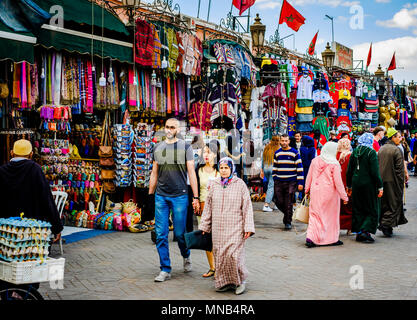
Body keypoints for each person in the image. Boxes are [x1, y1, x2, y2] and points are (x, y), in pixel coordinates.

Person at [149, 118, 200, 282]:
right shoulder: (157, 147)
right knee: (161, 234)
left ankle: (186, 255)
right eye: (166, 127)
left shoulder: (186, 147)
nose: (169, 130)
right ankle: (165, 268)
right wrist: (151, 194)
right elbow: (154, 172)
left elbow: (191, 172)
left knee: (179, 233)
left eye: (172, 127)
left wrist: (196, 197)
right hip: (161, 196)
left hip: (180, 195)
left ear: (178, 129)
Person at [199, 157, 255, 295]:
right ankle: (224, 282)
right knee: (221, 256)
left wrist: (248, 227)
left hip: (235, 227)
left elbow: (247, 207)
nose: (224, 171)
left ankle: (240, 282)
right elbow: (208, 207)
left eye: (226, 168)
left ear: (231, 169)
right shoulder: (215, 185)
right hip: (218, 229)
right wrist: (205, 226)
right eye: (222, 168)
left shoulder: (240, 184)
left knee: (233, 255)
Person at [0, 139, 63, 240]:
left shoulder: (2, 170)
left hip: (6, 230)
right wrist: (56, 227)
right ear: (31, 154)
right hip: (31, 231)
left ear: (11, 153)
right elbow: (46, 199)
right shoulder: (35, 169)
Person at [304, 142, 349, 248]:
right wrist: (344, 197)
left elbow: (309, 176)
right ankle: (331, 238)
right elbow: (338, 183)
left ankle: (311, 237)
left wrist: (307, 189)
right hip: (330, 195)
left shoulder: (315, 161)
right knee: (330, 218)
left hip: (316, 192)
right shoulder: (334, 164)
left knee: (315, 215)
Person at [346, 133, 383, 243]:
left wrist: (349, 186)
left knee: (358, 207)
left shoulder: (355, 152)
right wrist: (380, 186)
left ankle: (358, 231)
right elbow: (375, 172)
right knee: (371, 207)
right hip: (369, 184)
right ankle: (365, 231)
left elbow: (349, 171)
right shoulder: (371, 153)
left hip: (356, 183)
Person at [378, 128, 408, 237]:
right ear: (393, 137)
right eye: (398, 137)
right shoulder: (396, 150)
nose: (400, 139)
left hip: (382, 180)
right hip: (393, 181)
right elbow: (399, 170)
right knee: (394, 202)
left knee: (385, 203)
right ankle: (386, 224)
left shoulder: (381, 149)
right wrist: (401, 183)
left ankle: (386, 224)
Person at [195, 143, 219, 278]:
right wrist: (196, 200)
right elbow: (195, 189)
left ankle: (220, 266)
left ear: (215, 154)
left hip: (218, 207)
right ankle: (212, 267)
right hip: (203, 207)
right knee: (206, 236)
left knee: (218, 238)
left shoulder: (220, 170)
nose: (206, 155)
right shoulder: (198, 170)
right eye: (204, 152)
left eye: (209, 152)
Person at [273, 134, 304, 230]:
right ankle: (288, 213)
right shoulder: (277, 153)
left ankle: (288, 222)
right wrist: (275, 177)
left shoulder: (294, 153)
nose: (284, 143)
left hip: (291, 181)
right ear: (280, 141)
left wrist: (300, 183)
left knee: (288, 201)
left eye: (286, 141)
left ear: (289, 141)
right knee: (278, 201)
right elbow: (275, 167)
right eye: (282, 141)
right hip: (279, 180)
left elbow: (299, 168)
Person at [337, 138, 353, 233]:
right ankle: (349, 228)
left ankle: (337, 226)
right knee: (348, 208)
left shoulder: (335, 155)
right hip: (347, 185)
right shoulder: (350, 156)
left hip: (337, 186)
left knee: (338, 208)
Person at [260, 136, 280, 212]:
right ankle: (266, 205)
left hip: (266, 168)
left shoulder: (267, 148)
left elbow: (263, 159)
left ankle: (276, 204)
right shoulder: (278, 149)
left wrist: (262, 170)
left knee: (272, 186)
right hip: (273, 169)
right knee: (271, 187)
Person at [298, 135, 316, 201]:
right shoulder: (313, 149)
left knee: (303, 181)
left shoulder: (302, 149)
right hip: (310, 167)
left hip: (303, 167)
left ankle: (302, 196)